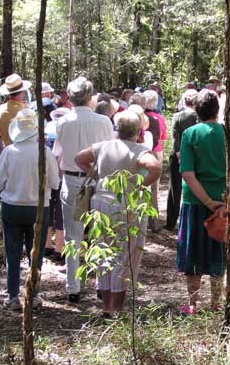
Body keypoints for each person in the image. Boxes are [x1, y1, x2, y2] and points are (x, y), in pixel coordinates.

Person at [75, 110, 161, 316]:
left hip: (100, 204)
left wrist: (95, 174)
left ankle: (106, 307)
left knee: (103, 251)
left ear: (117, 128)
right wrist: (140, 186)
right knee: (125, 255)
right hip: (125, 205)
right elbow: (156, 168)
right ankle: (116, 309)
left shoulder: (104, 146)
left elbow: (79, 158)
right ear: (138, 130)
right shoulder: (139, 149)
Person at [53, 77, 114, 303]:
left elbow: (58, 152)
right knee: (99, 233)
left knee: (73, 236)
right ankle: (100, 283)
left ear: (70, 97)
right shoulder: (104, 121)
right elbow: (109, 151)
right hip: (97, 180)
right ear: (90, 97)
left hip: (71, 180)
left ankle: (73, 287)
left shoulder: (63, 122)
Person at [0, 109, 60, 310]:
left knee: (12, 252)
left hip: (11, 207)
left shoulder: (8, 152)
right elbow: (55, 183)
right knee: (36, 254)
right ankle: (33, 294)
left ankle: (12, 296)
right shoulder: (44, 152)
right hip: (38, 209)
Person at [177, 89, 226, 314]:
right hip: (223, 202)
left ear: (197, 110)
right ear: (217, 109)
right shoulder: (227, 133)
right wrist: (221, 201)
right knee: (218, 250)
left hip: (195, 201)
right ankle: (216, 303)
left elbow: (187, 173)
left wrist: (206, 201)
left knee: (193, 252)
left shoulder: (189, 134)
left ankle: (193, 303)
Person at [166, 89, 199, 231]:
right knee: (195, 186)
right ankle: (192, 222)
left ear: (184, 101)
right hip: (195, 155)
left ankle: (170, 222)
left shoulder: (177, 116)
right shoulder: (198, 117)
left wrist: (179, 153)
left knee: (174, 188)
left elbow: (175, 135)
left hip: (177, 155)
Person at [44, 108, 69, 263]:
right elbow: (62, 153)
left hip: (46, 174)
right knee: (60, 210)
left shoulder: (47, 130)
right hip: (60, 174)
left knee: (48, 207)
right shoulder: (64, 131)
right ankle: (59, 248)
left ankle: (46, 245)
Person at [144, 89, 167, 231]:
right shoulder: (158, 118)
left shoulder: (138, 116)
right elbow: (163, 137)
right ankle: (154, 221)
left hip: (139, 153)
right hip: (155, 152)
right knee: (153, 188)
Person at [0, 73, 31, 146]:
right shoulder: (24, 112)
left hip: (6, 149)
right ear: (22, 92)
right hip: (21, 150)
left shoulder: (0, 108)